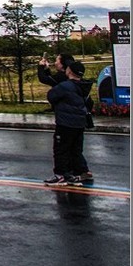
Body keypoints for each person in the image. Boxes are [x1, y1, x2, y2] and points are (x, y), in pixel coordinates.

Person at [44, 58, 94, 186]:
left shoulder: (65, 86)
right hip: (80, 122)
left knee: (61, 149)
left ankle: (60, 175)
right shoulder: (84, 86)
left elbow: (51, 96)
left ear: (70, 71)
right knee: (75, 149)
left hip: (65, 122)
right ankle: (78, 173)